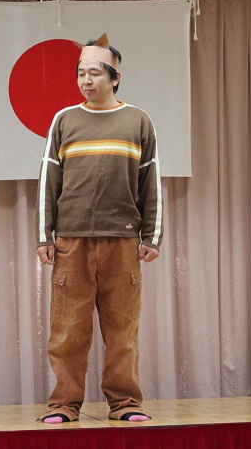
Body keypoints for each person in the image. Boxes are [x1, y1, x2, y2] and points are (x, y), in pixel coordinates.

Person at [35, 34, 163, 424]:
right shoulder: (64, 120)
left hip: (123, 240)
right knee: (67, 330)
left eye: (94, 73)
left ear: (115, 77)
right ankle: (63, 404)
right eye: (81, 73)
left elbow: (151, 181)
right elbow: (48, 181)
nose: (86, 80)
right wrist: (44, 235)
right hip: (71, 241)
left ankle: (125, 403)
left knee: (123, 329)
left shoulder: (138, 120)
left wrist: (151, 236)